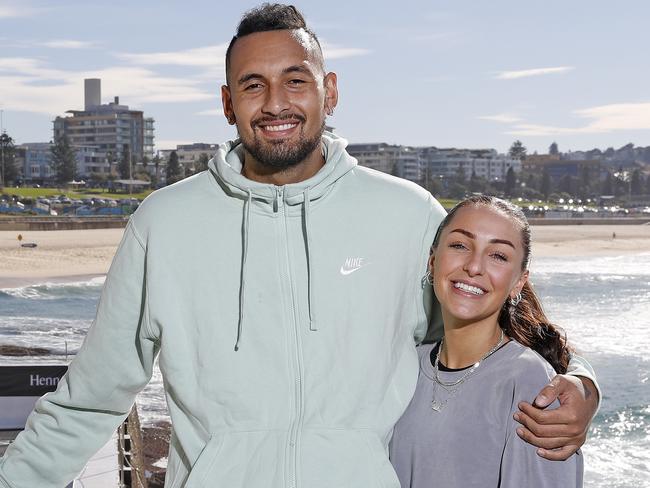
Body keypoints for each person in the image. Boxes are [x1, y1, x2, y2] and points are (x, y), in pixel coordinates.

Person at [0, 4, 598, 487]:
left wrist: (584, 384)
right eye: (253, 85)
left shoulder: (406, 212)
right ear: (228, 102)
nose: (277, 103)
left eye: (296, 81)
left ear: (329, 91)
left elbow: (495, 324)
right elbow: (89, 400)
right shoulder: (163, 223)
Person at [390, 195, 585, 487]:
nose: (474, 266)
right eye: (459, 245)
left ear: (518, 282)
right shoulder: (406, 366)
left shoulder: (530, 382)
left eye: (498, 255)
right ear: (433, 260)